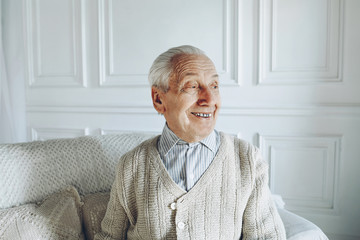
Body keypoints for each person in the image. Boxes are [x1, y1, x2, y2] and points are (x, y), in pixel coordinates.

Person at [95, 45, 286, 239]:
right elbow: (109, 236)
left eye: (214, 86)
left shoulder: (248, 160)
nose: (210, 99)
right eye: (192, 86)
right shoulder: (131, 165)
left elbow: (267, 237)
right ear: (158, 99)